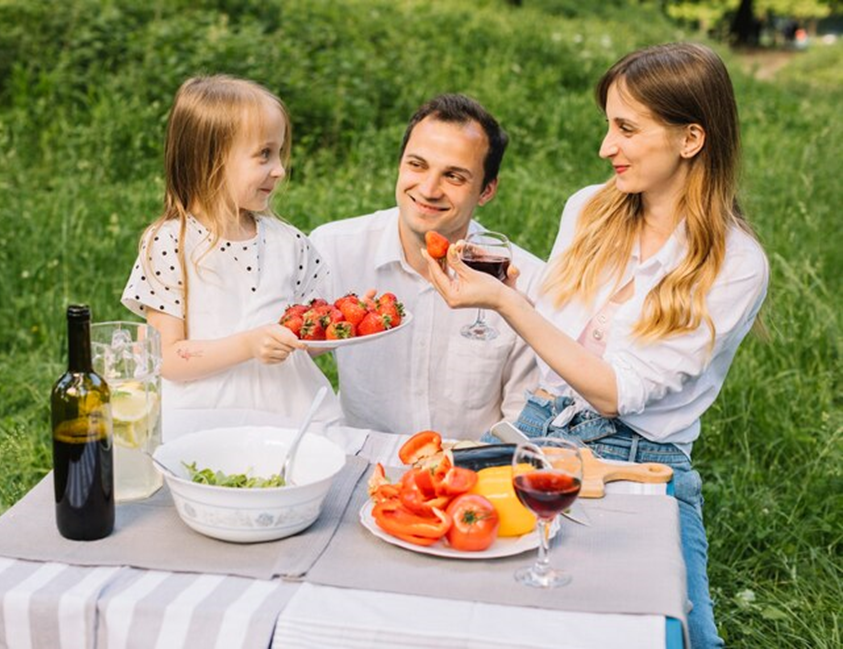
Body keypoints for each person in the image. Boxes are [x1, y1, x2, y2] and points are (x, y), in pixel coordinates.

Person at [424, 44, 767, 648]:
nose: (607, 147)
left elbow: (613, 394)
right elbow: (560, 343)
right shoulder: (588, 208)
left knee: (682, 636)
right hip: (538, 431)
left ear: (691, 139)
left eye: (627, 129)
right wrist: (502, 295)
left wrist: (505, 305)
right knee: (485, 608)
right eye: (609, 125)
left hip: (638, 457)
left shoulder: (736, 264)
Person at [310, 94, 543, 440]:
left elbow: (521, 421)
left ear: (487, 190)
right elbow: (286, 367)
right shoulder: (332, 249)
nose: (429, 189)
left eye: (454, 176)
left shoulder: (526, 280)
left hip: (470, 469)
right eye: (417, 165)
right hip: (362, 460)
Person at [121, 75, 343, 425]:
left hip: (290, 417)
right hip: (206, 422)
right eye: (264, 155)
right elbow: (166, 358)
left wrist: (340, 329)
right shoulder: (171, 244)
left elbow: (306, 342)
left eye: (280, 153)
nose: (280, 170)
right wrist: (248, 345)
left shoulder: (291, 244)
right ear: (209, 160)